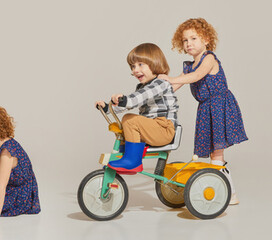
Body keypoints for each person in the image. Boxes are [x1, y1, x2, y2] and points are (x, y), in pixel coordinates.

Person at [163, 18, 247, 204]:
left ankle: (229, 193)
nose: (188, 43)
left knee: (216, 153)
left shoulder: (209, 58)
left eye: (193, 38)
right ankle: (226, 192)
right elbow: (177, 84)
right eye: (185, 40)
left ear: (206, 40)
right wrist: (160, 87)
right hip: (206, 109)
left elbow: (197, 76)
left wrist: (171, 79)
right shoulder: (189, 66)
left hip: (219, 106)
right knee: (212, 153)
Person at [95, 43, 178, 174]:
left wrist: (124, 100)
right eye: (133, 66)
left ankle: (132, 161)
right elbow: (131, 104)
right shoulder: (141, 87)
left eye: (140, 64)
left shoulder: (161, 83)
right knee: (124, 126)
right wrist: (108, 108)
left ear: (155, 63)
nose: (135, 70)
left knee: (130, 120)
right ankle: (124, 158)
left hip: (164, 129)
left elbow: (138, 98)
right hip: (152, 128)